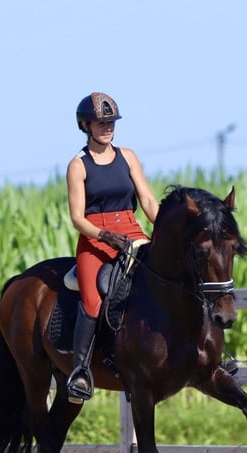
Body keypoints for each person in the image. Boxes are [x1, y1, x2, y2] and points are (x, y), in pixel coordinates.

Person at [65, 91, 159, 402]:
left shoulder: (128, 156)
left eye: (111, 122)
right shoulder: (78, 165)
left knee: (167, 278)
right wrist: (104, 236)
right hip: (95, 240)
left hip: (132, 231)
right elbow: (77, 218)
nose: (108, 127)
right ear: (85, 125)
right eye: (101, 122)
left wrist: (164, 228)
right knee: (92, 301)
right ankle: (80, 371)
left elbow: (146, 199)